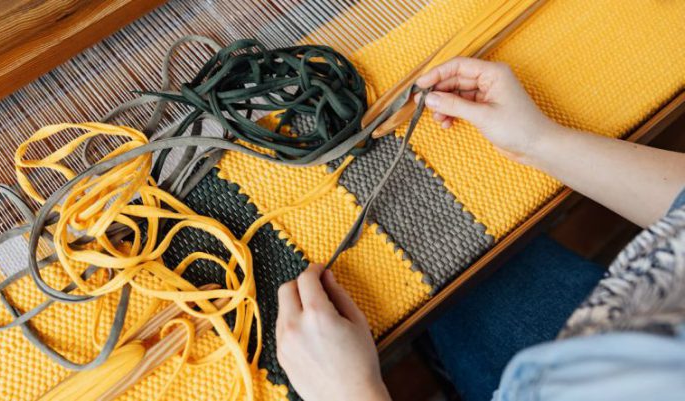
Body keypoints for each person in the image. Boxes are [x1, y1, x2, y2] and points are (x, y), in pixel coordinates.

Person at [275, 57, 685, 401]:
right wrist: (539, 141)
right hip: (625, 338)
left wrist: (351, 391)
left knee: (438, 270)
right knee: (461, 270)